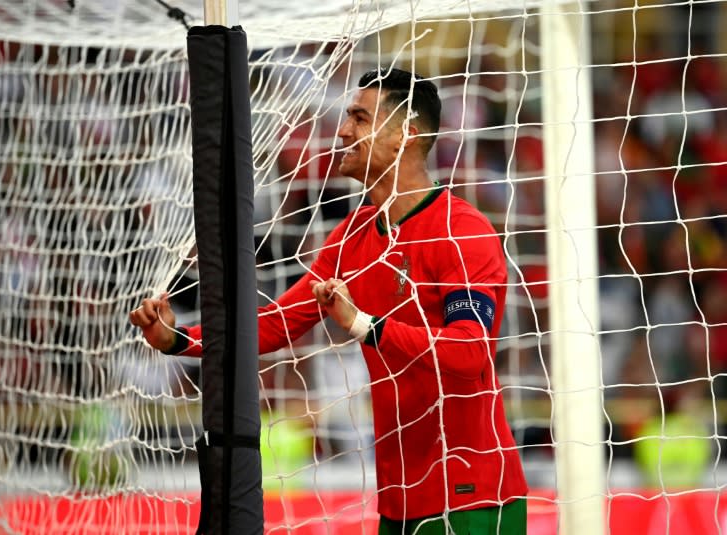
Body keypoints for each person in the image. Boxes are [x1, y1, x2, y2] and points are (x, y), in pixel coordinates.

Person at [130, 67, 528, 534]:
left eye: (359, 118)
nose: (341, 131)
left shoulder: (462, 231)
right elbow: (275, 324)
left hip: (472, 500)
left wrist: (364, 325)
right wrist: (180, 340)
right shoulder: (351, 235)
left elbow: (469, 352)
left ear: (406, 135)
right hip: (399, 502)